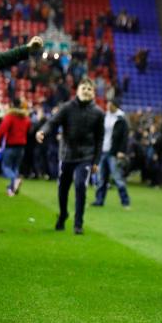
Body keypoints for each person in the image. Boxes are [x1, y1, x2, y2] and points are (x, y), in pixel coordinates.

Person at [36, 78, 104, 235]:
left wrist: (96, 161)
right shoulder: (66, 108)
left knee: (81, 185)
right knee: (63, 188)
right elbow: (52, 122)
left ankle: (78, 223)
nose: (86, 91)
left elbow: (99, 138)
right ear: (77, 90)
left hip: (86, 156)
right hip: (67, 154)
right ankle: (63, 214)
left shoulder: (99, 113)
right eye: (84, 88)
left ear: (93, 93)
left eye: (89, 89)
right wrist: (42, 131)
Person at [91, 98, 130, 208]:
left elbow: (124, 137)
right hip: (103, 150)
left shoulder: (121, 119)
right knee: (101, 178)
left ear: (115, 106)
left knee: (117, 178)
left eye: (110, 104)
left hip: (113, 152)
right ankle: (99, 200)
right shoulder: (105, 116)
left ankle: (125, 201)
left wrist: (121, 151)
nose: (107, 106)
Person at [0, 98, 31, 196]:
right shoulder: (26, 118)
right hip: (21, 146)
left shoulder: (9, 116)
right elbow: (29, 128)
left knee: (5, 167)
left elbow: (2, 130)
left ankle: (15, 180)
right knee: (15, 167)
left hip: (10, 145)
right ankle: (12, 190)